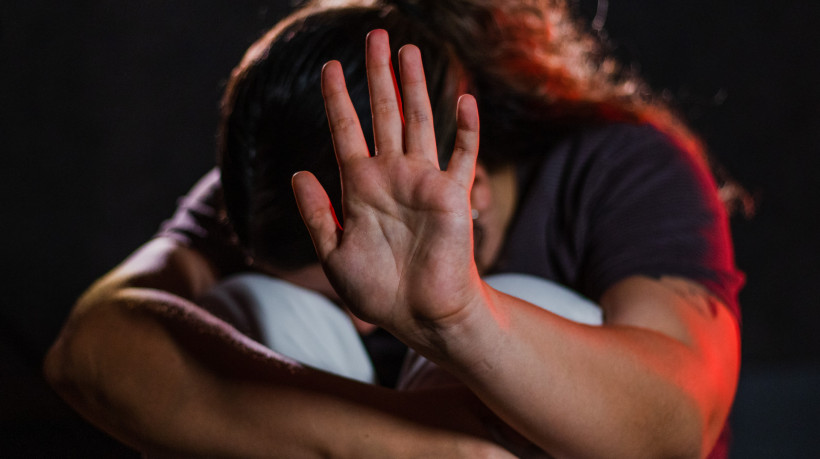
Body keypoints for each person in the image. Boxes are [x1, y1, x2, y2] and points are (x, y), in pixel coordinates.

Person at [44, 0, 744, 457]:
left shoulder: (619, 166)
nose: (366, 321)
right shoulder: (290, 192)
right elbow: (91, 348)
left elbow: (676, 429)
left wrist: (462, 318)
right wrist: (421, 449)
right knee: (256, 312)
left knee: (534, 311)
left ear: (467, 186)